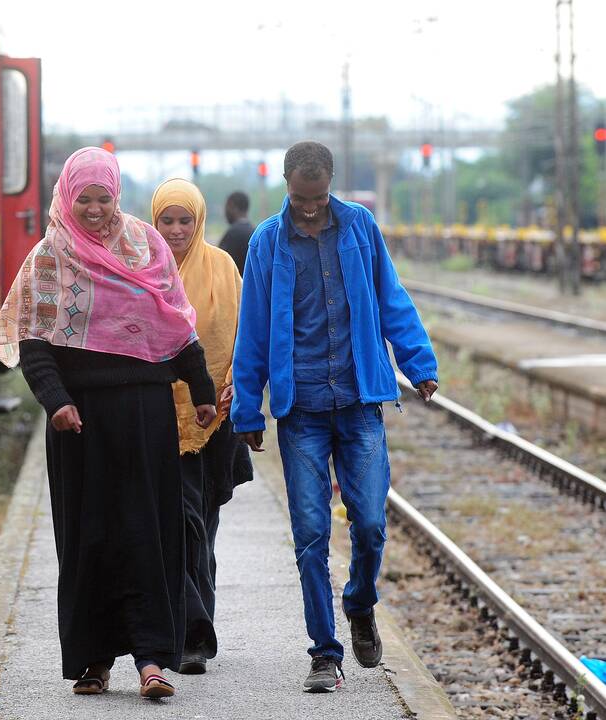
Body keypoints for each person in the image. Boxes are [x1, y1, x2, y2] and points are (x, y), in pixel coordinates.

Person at [0, 147, 216, 700]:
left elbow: (175, 322)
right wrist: (55, 400)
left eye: (103, 198)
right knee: (88, 538)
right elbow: (35, 339)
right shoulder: (49, 256)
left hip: (145, 414)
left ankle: (153, 659)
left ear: (117, 197)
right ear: (67, 198)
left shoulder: (145, 246)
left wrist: (202, 390)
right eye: (83, 199)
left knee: (149, 532)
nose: (93, 210)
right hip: (80, 421)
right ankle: (93, 660)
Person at [231, 141, 438, 694]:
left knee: (369, 524)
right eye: (299, 199)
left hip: (359, 403)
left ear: (330, 187)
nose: (308, 209)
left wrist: (418, 363)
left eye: (317, 198)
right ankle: (325, 653)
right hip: (301, 413)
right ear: (285, 187)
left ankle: (360, 604)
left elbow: (390, 297)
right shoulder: (266, 243)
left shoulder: (360, 227)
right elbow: (251, 328)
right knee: (310, 535)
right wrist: (246, 407)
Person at [150, 179, 253, 676]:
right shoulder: (141, 268)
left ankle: (198, 625)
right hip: (159, 418)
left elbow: (242, 334)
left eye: (184, 220)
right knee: (180, 524)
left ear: (200, 220)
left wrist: (235, 392)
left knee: (203, 527)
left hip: (218, 417)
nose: (175, 230)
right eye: (166, 220)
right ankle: (192, 634)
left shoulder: (223, 268)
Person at [218, 191, 253, 275]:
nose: (225, 212)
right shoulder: (254, 230)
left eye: (226, 207)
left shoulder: (233, 234)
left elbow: (220, 265)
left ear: (232, 206)